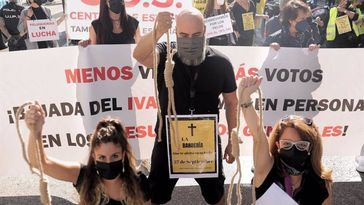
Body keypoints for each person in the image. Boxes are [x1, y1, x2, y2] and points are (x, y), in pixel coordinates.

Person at [133, 8, 238, 205]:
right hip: (168, 140)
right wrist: (157, 30)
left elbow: (232, 102)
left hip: (205, 141)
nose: (190, 40)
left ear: (205, 31)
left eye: (196, 35)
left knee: (216, 196)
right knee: (155, 196)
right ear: (175, 33)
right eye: (184, 35)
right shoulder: (165, 54)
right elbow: (139, 54)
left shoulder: (221, 63)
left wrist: (233, 139)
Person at [25, 102, 151, 205]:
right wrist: (35, 131)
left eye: (115, 156)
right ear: (93, 156)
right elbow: (40, 163)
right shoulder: (83, 177)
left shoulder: (139, 182)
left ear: (123, 154)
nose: (108, 162)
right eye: (102, 157)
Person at [239, 75, 332, 204]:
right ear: (277, 145)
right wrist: (245, 97)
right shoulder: (266, 171)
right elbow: (258, 136)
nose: (293, 149)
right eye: (287, 144)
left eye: (300, 145)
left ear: (310, 147)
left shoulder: (321, 184)